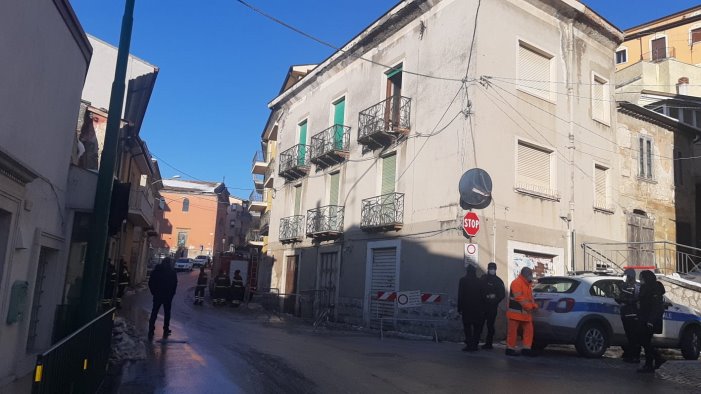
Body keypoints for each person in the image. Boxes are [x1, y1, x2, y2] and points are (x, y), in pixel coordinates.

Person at [636, 270, 666, 373]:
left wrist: (651, 321)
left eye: (642, 278)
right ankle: (656, 359)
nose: (640, 280)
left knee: (645, 341)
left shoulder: (654, 289)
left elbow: (656, 307)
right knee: (643, 340)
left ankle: (652, 361)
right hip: (644, 318)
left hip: (649, 320)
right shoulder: (645, 288)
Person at [506, 266, 538, 356]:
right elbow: (519, 298)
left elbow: (529, 298)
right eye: (530, 275)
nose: (531, 277)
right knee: (513, 332)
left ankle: (526, 349)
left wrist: (533, 305)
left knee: (529, 330)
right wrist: (529, 307)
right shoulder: (516, 283)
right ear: (526, 275)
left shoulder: (527, 284)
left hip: (525, 313)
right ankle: (510, 349)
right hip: (516, 313)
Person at [148, 257, 178, 340]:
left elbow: (150, 282)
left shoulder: (157, 271)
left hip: (158, 295)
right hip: (167, 296)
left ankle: (151, 328)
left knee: (154, 312)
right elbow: (175, 284)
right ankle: (166, 329)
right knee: (167, 313)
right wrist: (172, 294)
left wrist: (153, 292)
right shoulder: (172, 272)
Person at [457, 264, 486, 352]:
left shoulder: (463, 280)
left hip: (467, 308)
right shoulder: (480, 281)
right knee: (477, 327)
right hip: (478, 309)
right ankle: (475, 345)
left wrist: (459, 308)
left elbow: (460, 295)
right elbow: (483, 295)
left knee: (467, 327)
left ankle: (469, 345)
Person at [615, 268, 640, 363]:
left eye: (627, 276)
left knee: (634, 337)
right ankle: (630, 355)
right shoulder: (625, 286)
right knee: (630, 336)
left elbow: (636, 299)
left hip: (633, 315)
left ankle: (635, 356)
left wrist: (625, 301)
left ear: (630, 276)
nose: (625, 277)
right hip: (626, 314)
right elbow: (620, 296)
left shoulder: (636, 286)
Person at [480, 262, 505, 350]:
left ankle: (489, 343)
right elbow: (479, 290)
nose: (492, 270)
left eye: (493, 268)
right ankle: (475, 341)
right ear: (488, 269)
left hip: (492, 307)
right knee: (479, 324)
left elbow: (502, 295)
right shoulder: (483, 279)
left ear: (495, 269)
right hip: (482, 306)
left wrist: (494, 299)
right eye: (490, 268)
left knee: (490, 325)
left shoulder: (498, 281)